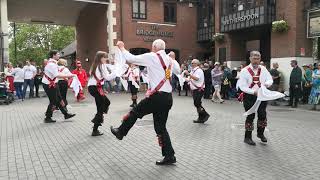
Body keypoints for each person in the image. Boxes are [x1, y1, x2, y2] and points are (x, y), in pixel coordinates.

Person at [110, 39, 180, 165]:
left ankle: (121, 131)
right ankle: (169, 156)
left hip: (157, 97)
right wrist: (173, 59)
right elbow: (178, 71)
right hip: (168, 97)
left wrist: (121, 47)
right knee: (161, 127)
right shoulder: (170, 60)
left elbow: (131, 58)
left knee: (136, 112)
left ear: (154, 47)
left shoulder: (152, 56)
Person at [237, 51, 273, 146]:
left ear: (260, 59)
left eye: (258, 58)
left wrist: (267, 83)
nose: (256, 60)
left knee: (262, 115)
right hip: (249, 96)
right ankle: (247, 137)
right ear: (250, 58)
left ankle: (260, 133)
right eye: (254, 58)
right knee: (250, 116)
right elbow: (242, 86)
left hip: (262, 95)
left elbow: (270, 79)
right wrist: (253, 92)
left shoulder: (263, 69)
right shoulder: (244, 70)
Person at [42, 50, 76, 123]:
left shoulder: (53, 63)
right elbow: (57, 75)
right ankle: (48, 117)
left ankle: (65, 114)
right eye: (58, 54)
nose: (59, 55)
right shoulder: (52, 64)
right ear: (53, 55)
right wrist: (70, 75)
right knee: (54, 101)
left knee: (59, 99)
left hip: (54, 83)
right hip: (49, 84)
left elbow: (57, 73)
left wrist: (67, 76)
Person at [88, 51, 116, 136]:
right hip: (96, 88)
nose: (106, 59)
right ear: (100, 58)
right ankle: (95, 128)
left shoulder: (95, 65)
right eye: (105, 57)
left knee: (106, 102)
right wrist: (116, 73)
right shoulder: (101, 66)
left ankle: (98, 116)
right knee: (101, 108)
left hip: (93, 88)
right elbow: (107, 77)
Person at [184, 59, 210, 123]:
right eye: (191, 63)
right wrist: (184, 79)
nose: (191, 64)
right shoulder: (193, 71)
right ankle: (201, 117)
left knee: (197, 103)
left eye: (193, 63)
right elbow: (191, 79)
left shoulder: (199, 70)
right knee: (197, 103)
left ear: (196, 64)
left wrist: (189, 74)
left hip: (199, 89)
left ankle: (205, 115)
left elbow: (197, 78)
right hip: (195, 90)